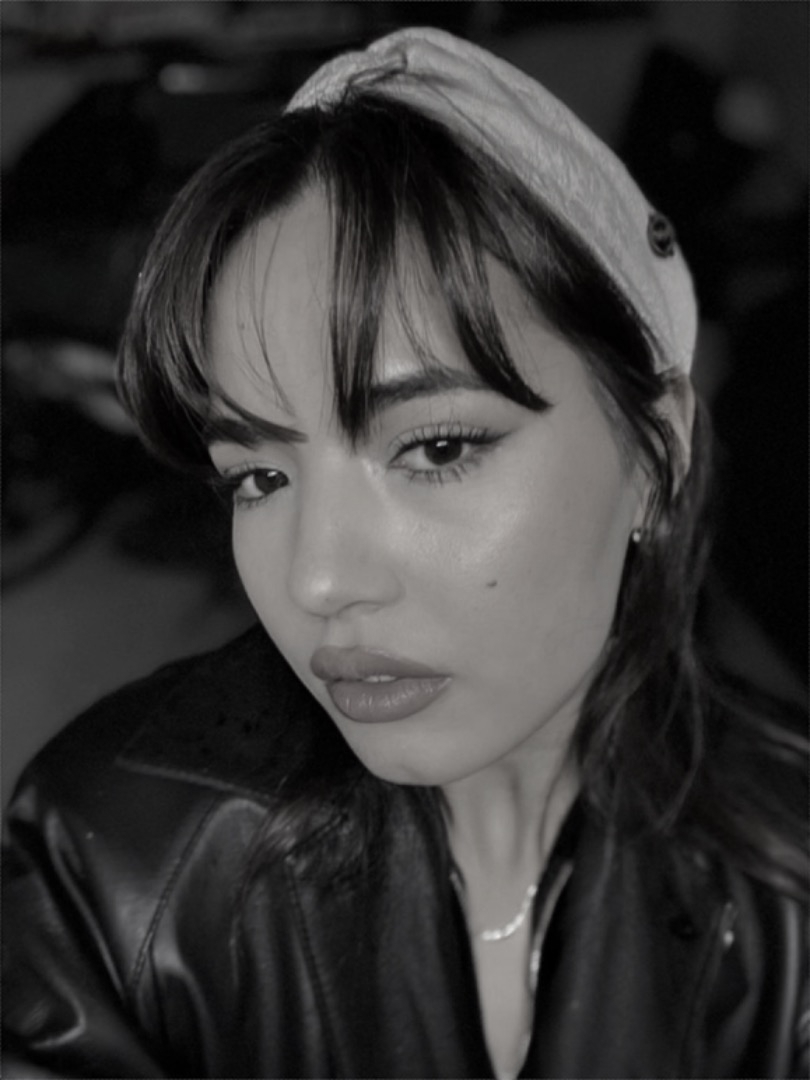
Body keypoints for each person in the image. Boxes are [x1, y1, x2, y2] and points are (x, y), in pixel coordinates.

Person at [3, 27, 807, 1080]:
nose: (318, 579)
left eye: (435, 447)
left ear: (656, 452)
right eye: (259, 477)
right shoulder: (113, 863)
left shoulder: (791, 883)